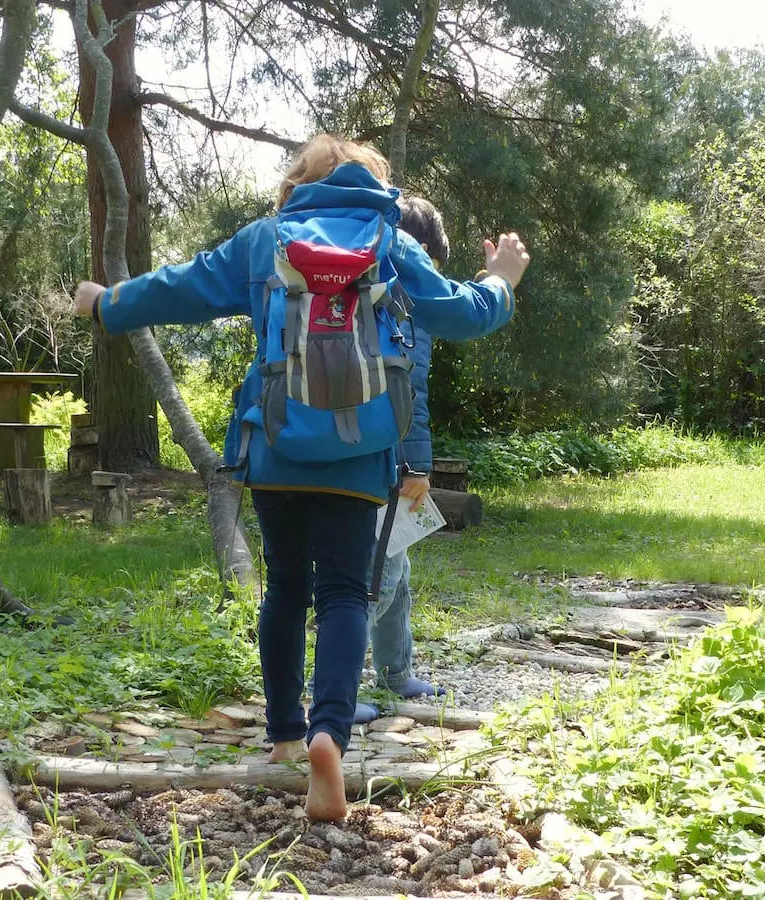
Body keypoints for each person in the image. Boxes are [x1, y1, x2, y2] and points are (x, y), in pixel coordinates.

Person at [73, 134, 529, 821]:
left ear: (298, 184)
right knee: (346, 592)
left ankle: (286, 733)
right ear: (375, 186)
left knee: (285, 587)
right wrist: (502, 278)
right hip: (359, 454)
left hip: (277, 447)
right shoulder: (390, 242)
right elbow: (465, 314)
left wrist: (109, 303)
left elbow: (182, 287)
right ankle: (329, 738)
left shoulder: (266, 240)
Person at [354, 195, 453, 723]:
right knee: (378, 575)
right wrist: (416, 466)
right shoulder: (406, 302)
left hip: (361, 449)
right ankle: (339, 690)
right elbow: (409, 391)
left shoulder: (368, 289)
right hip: (384, 459)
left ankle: (395, 671)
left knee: (397, 568)